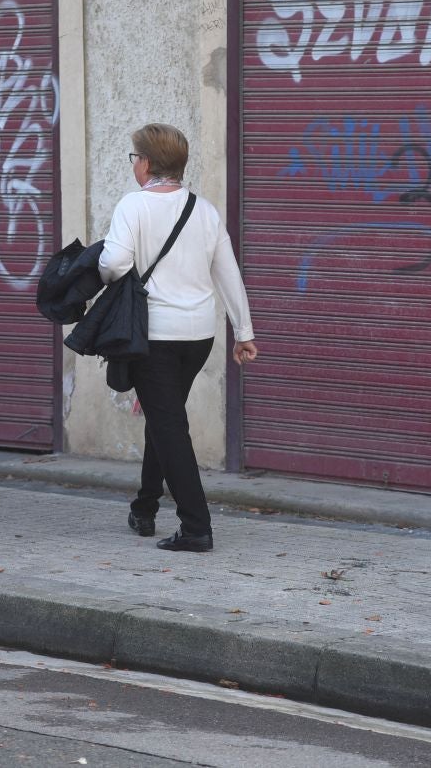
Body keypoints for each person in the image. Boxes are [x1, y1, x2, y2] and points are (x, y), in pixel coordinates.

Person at [99, 123, 258, 553]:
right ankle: (145, 507)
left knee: (169, 426)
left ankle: (195, 527)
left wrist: (101, 269)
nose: (134, 165)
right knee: (162, 416)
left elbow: (112, 264)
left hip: (155, 337)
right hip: (198, 337)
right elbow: (228, 271)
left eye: (134, 157)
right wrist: (243, 331)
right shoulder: (204, 210)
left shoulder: (134, 206)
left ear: (146, 163)